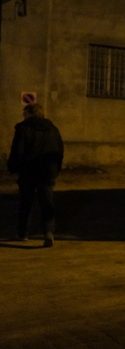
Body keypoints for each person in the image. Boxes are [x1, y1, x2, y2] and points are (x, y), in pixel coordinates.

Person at [7, 103, 64, 247]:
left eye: (25, 113)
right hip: (47, 171)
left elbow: (18, 150)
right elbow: (59, 150)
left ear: (31, 113)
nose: (23, 115)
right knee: (47, 202)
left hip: (28, 170)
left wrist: (13, 168)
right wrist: (56, 168)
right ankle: (48, 232)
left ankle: (22, 233)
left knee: (25, 202)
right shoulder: (52, 129)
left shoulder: (23, 128)